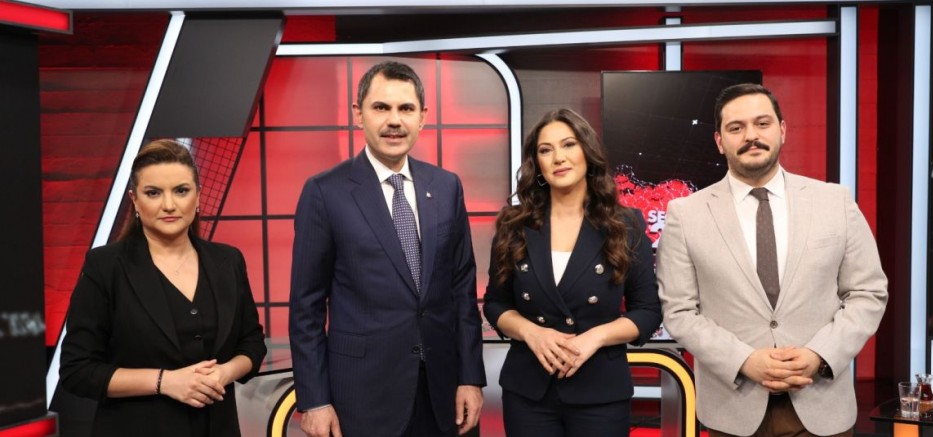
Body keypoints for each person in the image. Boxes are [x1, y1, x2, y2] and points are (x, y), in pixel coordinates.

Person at [657, 83, 888, 436]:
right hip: (732, 410)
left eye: (762, 123)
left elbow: (868, 293)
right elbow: (679, 311)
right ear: (719, 141)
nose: (751, 135)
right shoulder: (685, 214)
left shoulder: (835, 201)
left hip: (822, 404)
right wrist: (743, 360)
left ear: (782, 130)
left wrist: (819, 355)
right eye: (736, 127)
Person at [288, 61, 486, 437]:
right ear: (358, 114)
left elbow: (462, 291)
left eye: (405, 108)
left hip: (444, 392)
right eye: (381, 107)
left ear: (422, 117)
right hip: (362, 398)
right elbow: (306, 308)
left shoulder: (447, 187)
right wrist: (314, 400)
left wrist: (471, 377)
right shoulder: (325, 192)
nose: (394, 120)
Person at [59, 139, 267, 437]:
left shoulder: (228, 261)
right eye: (153, 193)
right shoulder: (105, 266)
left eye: (181, 191)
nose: (169, 205)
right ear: (134, 200)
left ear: (198, 196)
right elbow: (77, 370)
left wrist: (224, 373)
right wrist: (165, 382)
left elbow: (252, 343)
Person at [482, 108, 662, 437]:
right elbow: (495, 303)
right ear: (536, 163)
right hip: (529, 391)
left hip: (600, 391)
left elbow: (648, 311)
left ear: (587, 152)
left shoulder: (624, 223)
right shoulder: (514, 224)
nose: (558, 158)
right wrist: (531, 333)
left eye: (569, 144)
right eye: (545, 150)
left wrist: (596, 337)